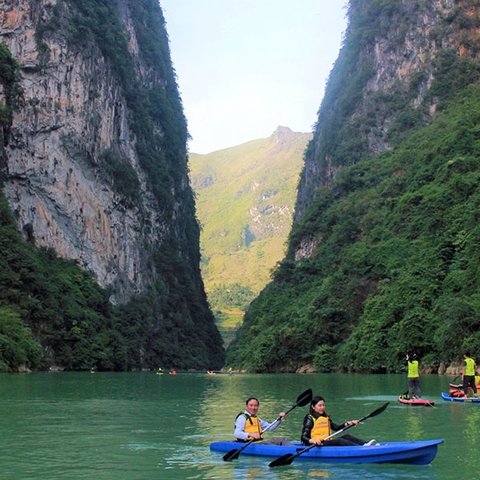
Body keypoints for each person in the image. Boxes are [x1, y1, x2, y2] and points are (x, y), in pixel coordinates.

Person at [301, 395, 376, 447]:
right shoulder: (310, 419)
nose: (322, 407)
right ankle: (362, 449)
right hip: (316, 445)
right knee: (339, 441)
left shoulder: (325, 418)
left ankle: (366, 445)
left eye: (323, 405)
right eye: (320, 405)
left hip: (325, 442)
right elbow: (303, 437)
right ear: (313, 407)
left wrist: (349, 423)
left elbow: (336, 427)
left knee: (347, 436)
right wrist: (313, 441)